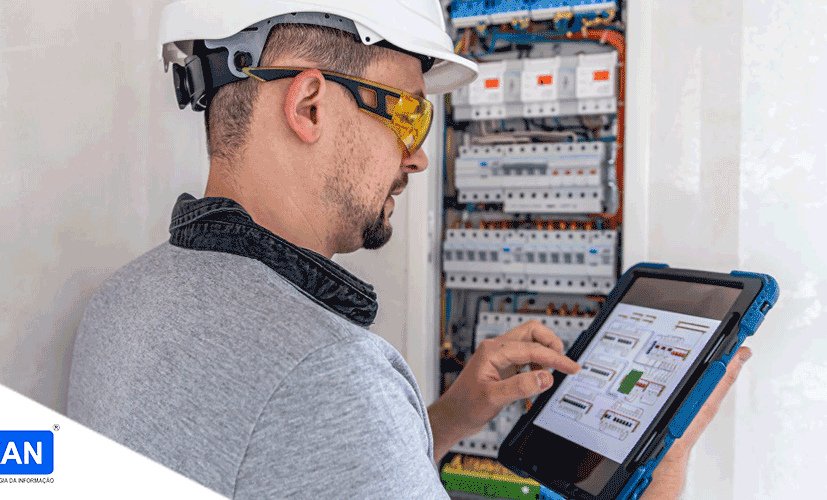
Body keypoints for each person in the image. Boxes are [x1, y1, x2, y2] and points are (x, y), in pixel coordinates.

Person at [66, 1, 752, 498]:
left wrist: (449, 417)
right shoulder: (330, 374)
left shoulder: (128, 299)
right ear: (308, 106)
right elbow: (314, 418)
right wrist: (660, 476)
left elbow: (284, 464)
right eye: (409, 113)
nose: (418, 158)